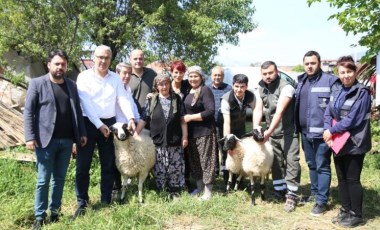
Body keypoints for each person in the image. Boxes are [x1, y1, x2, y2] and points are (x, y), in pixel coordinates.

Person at [24, 50, 87, 229]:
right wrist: (30, 137)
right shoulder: (37, 84)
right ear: (49, 64)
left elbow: (77, 112)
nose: (60, 67)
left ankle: (55, 213)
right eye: (57, 64)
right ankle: (39, 216)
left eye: (63, 64)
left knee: (59, 179)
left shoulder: (71, 85)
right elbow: (29, 112)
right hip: (45, 141)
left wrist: (81, 133)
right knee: (43, 179)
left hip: (67, 140)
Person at [73, 45, 136, 219]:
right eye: (100, 57)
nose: (103, 61)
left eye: (107, 58)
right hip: (88, 123)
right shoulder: (83, 77)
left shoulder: (115, 78)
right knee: (83, 165)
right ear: (93, 57)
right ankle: (82, 202)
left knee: (108, 164)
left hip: (109, 122)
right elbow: (85, 103)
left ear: (110, 59)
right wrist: (99, 125)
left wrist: (131, 117)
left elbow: (122, 99)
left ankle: (106, 199)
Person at [323, 56, 371, 227]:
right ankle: (345, 210)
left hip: (355, 142)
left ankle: (356, 214)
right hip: (338, 141)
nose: (346, 76)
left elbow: (353, 119)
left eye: (349, 72)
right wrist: (327, 131)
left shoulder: (362, 92)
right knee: (342, 179)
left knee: (352, 179)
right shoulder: (336, 89)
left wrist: (331, 131)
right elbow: (328, 112)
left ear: (355, 72)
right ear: (338, 73)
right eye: (342, 72)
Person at [294, 50, 336, 216]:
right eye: (307, 63)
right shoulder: (302, 81)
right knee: (312, 165)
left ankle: (322, 201)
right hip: (305, 133)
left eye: (313, 63)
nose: (309, 66)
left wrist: (331, 130)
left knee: (322, 166)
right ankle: (315, 193)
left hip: (323, 135)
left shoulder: (331, 81)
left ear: (319, 63)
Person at [256, 61, 301, 212]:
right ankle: (279, 190)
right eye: (265, 74)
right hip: (272, 133)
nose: (268, 76)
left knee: (291, 161)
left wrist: (267, 132)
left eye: (270, 73)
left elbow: (280, 110)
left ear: (277, 72)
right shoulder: (260, 87)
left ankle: (292, 195)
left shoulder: (286, 87)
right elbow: (258, 109)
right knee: (275, 162)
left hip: (288, 132)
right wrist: (257, 128)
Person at [135, 74, 188, 198]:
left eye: (166, 83)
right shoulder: (151, 100)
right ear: (156, 86)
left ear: (170, 84)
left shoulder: (177, 99)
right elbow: (144, 119)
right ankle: (163, 192)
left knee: (175, 167)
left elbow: (182, 119)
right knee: (160, 168)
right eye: (161, 84)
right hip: (158, 141)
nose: (164, 87)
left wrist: (185, 136)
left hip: (174, 140)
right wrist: (135, 134)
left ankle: (175, 191)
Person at [182, 66, 218, 200]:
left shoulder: (205, 90)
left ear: (201, 77)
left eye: (196, 76)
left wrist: (190, 117)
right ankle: (199, 187)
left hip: (205, 132)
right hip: (191, 133)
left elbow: (210, 111)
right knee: (195, 161)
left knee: (206, 161)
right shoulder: (188, 91)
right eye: (190, 76)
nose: (193, 78)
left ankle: (208, 191)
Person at [220, 74, 262, 188]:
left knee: (242, 154)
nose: (239, 89)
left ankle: (240, 182)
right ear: (233, 85)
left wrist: (255, 129)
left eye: (242, 87)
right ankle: (227, 182)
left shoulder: (250, 96)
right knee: (228, 155)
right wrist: (228, 142)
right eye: (237, 86)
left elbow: (257, 109)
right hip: (226, 127)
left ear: (246, 86)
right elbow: (226, 122)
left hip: (241, 127)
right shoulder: (226, 99)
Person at [112, 62, 141, 201]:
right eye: (124, 73)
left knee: (128, 156)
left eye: (129, 73)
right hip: (118, 129)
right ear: (117, 73)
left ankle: (127, 183)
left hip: (128, 128)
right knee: (117, 158)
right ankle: (115, 188)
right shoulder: (113, 88)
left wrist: (138, 121)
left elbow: (132, 106)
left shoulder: (127, 89)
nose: (127, 76)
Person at [207, 66, 232, 185]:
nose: (217, 77)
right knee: (213, 150)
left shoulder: (229, 89)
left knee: (225, 149)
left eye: (219, 75)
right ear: (211, 76)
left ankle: (226, 172)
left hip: (225, 124)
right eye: (215, 75)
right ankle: (215, 172)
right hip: (210, 125)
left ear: (223, 76)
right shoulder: (206, 89)